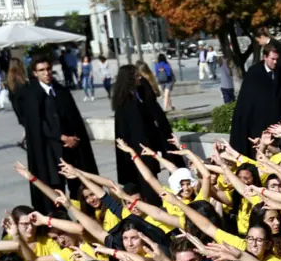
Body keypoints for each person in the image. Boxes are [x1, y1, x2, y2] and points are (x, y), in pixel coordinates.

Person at [16, 55, 98, 212]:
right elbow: (37, 125)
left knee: (79, 187)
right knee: (55, 191)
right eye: (41, 70)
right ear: (35, 73)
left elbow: (73, 118)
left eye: (48, 69)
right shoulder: (31, 95)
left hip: (71, 151)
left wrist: (73, 138)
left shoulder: (61, 91)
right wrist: (61, 137)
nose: (46, 73)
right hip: (49, 153)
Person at [112, 64, 169, 202]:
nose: (139, 78)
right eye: (136, 75)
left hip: (146, 150)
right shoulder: (127, 103)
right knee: (148, 188)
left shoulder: (137, 96)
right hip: (140, 152)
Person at [229, 42, 281, 155]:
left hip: (277, 125)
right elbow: (247, 102)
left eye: (277, 59)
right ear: (265, 57)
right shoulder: (254, 73)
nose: (275, 62)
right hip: (258, 124)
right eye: (272, 59)